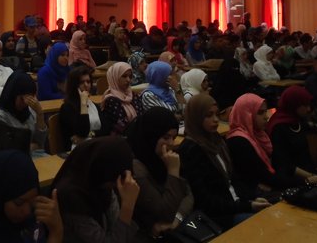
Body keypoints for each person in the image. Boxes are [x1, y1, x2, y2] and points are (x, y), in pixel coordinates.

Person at [178, 93, 270, 230]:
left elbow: (233, 179)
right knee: (263, 223)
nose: (216, 120)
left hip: (235, 203)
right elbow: (205, 200)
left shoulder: (217, 140)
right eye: (209, 115)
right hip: (217, 215)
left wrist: (251, 198)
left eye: (216, 114)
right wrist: (247, 205)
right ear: (196, 118)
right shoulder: (190, 149)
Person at [53, 137, 139, 242]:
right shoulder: (72, 197)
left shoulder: (100, 184)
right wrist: (128, 207)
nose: (119, 184)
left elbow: (120, 232)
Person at [126, 107, 194, 240]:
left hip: (173, 227)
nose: (171, 143)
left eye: (173, 137)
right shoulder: (136, 167)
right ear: (151, 136)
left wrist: (178, 218)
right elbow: (164, 213)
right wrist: (173, 172)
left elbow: (189, 194)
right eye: (165, 137)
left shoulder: (163, 157)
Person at [226, 94, 307, 196]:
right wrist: (304, 182)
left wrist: (307, 178)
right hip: (254, 194)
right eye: (260, 113)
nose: (266, 117)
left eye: (265, 111)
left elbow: (280, 163)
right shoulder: (239, 141)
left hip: (269, 186)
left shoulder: (259, 134)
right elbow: (264, 176)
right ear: (247, 115)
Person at [266, 86, 317, 184]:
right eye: (304, 105)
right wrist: (310, 177)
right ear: (293, 105)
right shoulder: (278, 128)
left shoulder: (297, 120)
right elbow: (283, 164)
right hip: (293, 179)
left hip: (308, 172)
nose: (309, 109)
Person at [0, 71, 47, 152]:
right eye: (22, 98)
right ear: (13, 95)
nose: (25, 103)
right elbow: (4, 149)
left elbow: (40, 143)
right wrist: (29, 147)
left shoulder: (31, 110)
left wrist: (40, 114)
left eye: (30, 98)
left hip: (35, 155)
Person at [59, 65, 106, 151]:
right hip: (76, 150)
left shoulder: (94, 105)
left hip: (96, 144)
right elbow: (82, 132)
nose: (86, 85)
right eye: (81, 82)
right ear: (74, 85)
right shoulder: (67, 108)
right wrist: (83, 104)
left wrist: (91, 135)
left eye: (88, 82)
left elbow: (105, 130)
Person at [101, 62, 143, 136]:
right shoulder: (110, 100)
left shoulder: (133, 94)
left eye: (130, 76)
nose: (128, 80)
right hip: (120, 138)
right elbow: (122, 126)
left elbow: (142, 116)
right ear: (115, 77)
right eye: (124, 76)